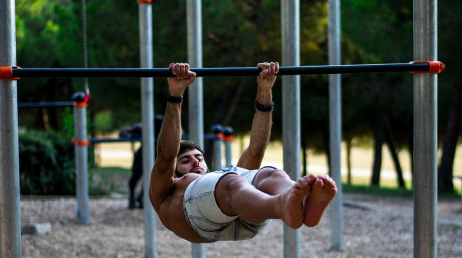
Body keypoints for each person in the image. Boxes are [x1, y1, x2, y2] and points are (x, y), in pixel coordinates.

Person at [149, 62, 337, 243]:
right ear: (174, 169)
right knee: (231, 180)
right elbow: (166, 155)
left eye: (199, 158)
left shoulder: (217, 182)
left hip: (246, 211)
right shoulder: (165, 190)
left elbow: (256, 150)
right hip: (198, 218)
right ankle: (281, 205)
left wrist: (265, 90)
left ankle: (300, 203)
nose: (196, 162)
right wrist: (175, 94)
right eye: (185, 160)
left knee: (269, 173)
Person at [118, 115, 164, 209]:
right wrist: (132, 136)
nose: (157, 132)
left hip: (157, 155)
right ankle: (132, 197)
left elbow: (180, 132)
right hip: (142, 154)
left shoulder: (168, 129)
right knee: (136, 175)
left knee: (152, 177)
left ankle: (141, 197)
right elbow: (122, 132)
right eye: (156, 130)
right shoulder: (142, 127)